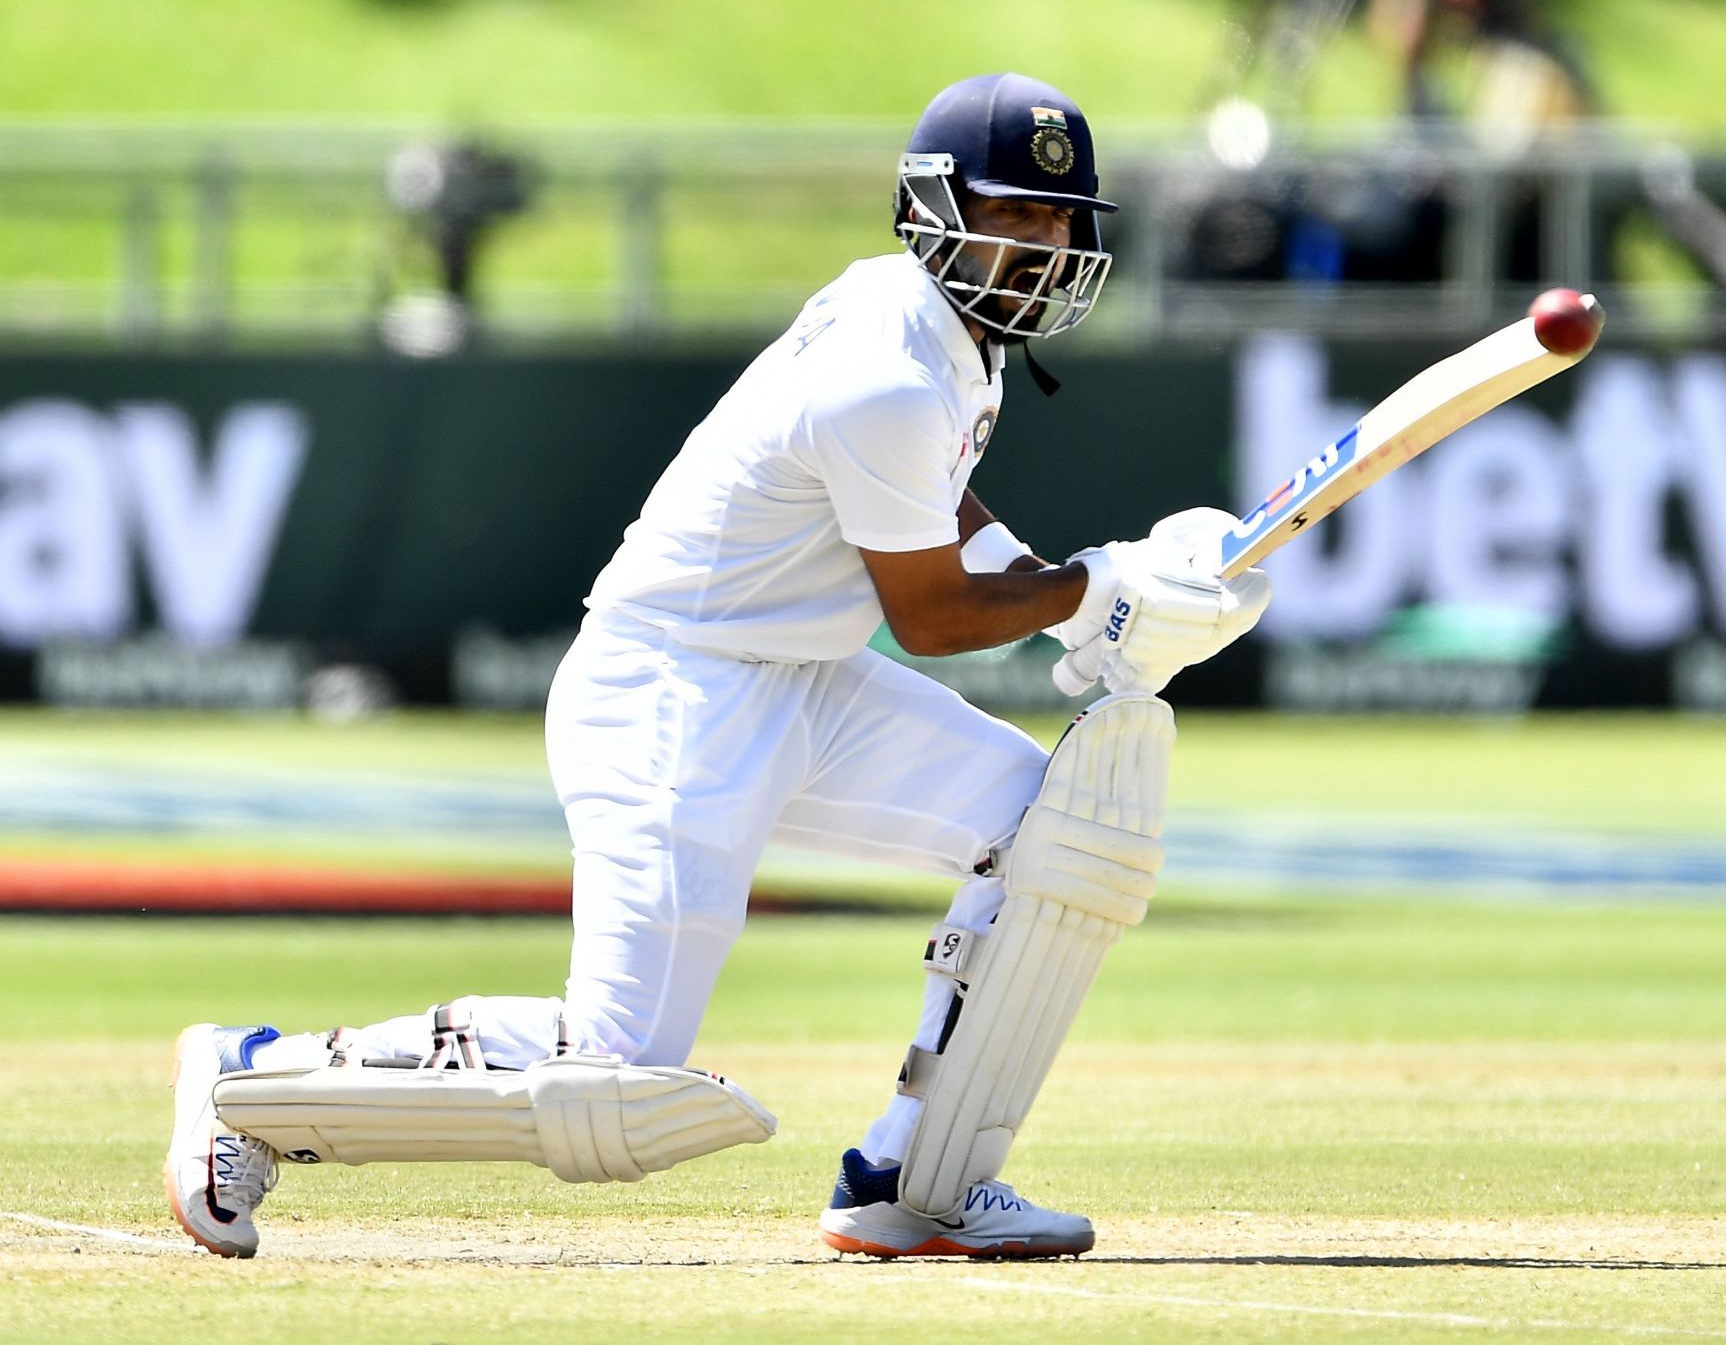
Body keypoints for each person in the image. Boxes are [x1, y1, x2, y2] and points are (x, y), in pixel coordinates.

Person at [164, 73, 1270, 1261]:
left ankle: (918, 1177)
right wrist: (1099, 592)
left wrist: (1065, 596)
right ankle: (249, 1080)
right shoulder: (883, 367)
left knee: (1055, 832)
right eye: (1015, 216)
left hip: (802, 681)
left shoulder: (944, 333)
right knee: (616, 1066)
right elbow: (935, 616)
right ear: (935, 209)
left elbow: (934, 497)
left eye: (1058, 223)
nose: (1042, 249)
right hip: (671, 693)